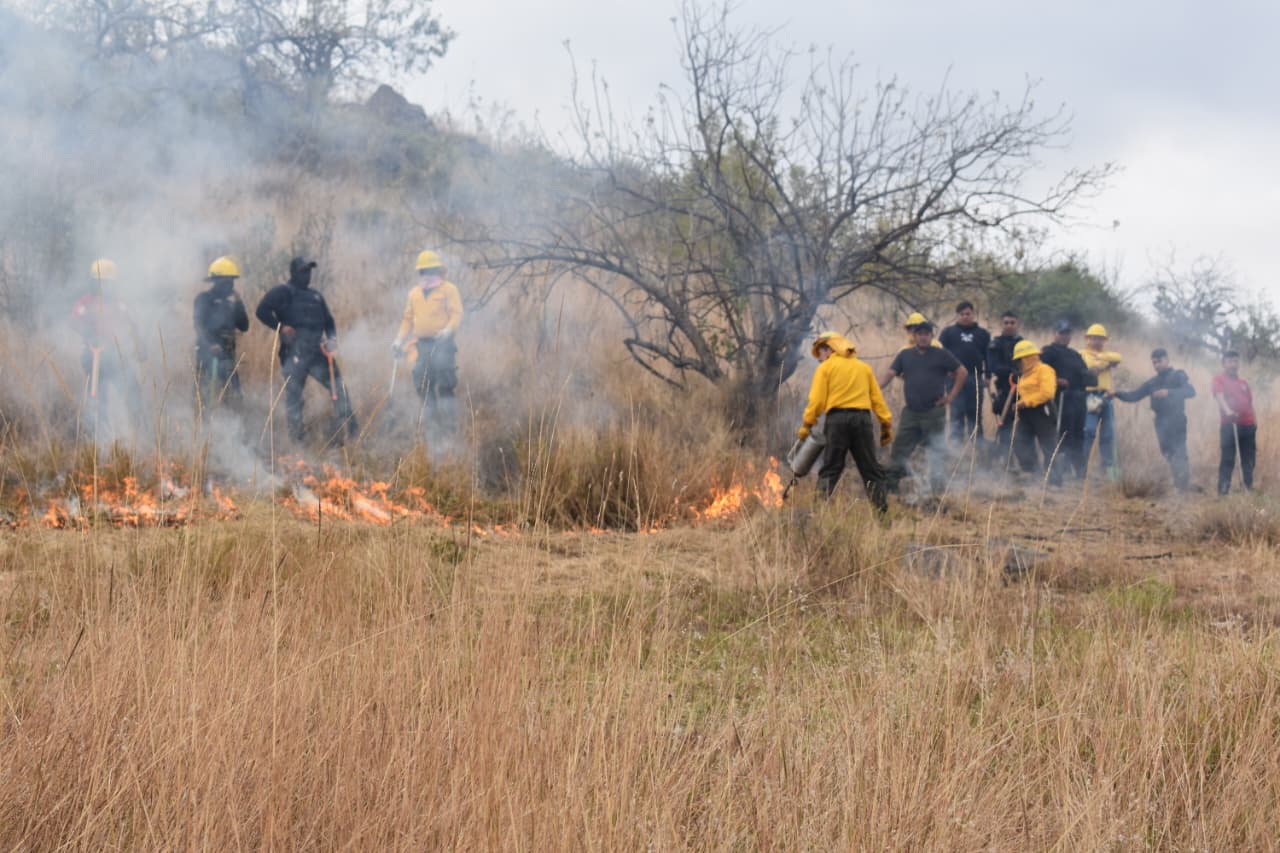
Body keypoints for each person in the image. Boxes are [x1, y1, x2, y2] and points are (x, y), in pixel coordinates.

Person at [255, 257, 357, 444]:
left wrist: (332, 339)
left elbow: (329, 321)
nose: (307, 275)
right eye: (303, 271)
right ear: (293, 273)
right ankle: (297, 440)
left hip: (319, 351)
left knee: (339, 388)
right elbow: (261, 311)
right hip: (294, 352)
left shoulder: (315, 296)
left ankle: (350, 432)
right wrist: (280, 327)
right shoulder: (283, 292)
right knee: (294, 397)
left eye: (309, 271)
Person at [797, 331, 893, 513]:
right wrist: (885, 424)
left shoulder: (825, 368)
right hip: (862, 421)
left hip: (837, 421)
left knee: (831, 468)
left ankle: (817, 513)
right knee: (871, 470)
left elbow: (816, 402)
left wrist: (806, 425)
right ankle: (882, 518)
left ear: (829, 348)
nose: (820, 358)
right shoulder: (863, 368)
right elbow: (877, 399)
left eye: (821, 353)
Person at [879, 321, 967, 495]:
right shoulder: (905, 355)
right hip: (911, 412)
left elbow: (962, 372)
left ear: (931, 336)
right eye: (920, 333)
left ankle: (937, 491)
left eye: (927, 334)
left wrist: (950, 397)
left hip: (934, 412)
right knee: (900, 448)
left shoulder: (941, 354)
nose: (923, 336)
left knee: (936, 450)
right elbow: (890, 373)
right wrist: (873, 389)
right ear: (914, 336)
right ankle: (891, 486)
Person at [391, 250, 464, 429]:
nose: (427, 274)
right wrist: (399, 339)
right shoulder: (414, 293)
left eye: (430, 270)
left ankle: (450, 426)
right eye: (423, 271)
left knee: (446, 384)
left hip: (443, 345)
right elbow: (407, 319)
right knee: (422, 383)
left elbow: (457, 314)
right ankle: (432, 423)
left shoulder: (449, 289)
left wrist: (448, 330)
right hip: (422, 346)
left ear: (438, 270)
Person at [1110, 348, 1196, 491]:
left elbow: (1190, 391)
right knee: (1167, 452)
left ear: (1167, 360)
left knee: (1179, 452)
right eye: (1154, 362)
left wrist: (1169, 392)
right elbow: (1134, 396)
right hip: (1160, 422)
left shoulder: (1178, 375)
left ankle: (1182, 487)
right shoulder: (1152, 382)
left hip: (1177, 419)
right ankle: (1180, 483)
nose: (1157, 365)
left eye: (1159, 361)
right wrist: (1117, 393)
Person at [70, 258, 142, 428]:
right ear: (94, 282)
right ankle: (98, 434)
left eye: (108, 283)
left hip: (118, 357)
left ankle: (139, 429)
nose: (104, 287)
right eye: (101, 282)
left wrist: (140, 345)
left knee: (132, 392)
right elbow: (75, 320)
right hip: (93, 356)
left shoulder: (119, 303)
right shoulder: (86, 303)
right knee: (98, 397)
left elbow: (133, 323)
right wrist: (89, 333)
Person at [193, 256, 249, 412]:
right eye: (226, 281)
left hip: (228, 356)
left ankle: (234, 425)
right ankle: (203, 426)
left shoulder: (231, 303)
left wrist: (239, 303)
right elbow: (198, 325)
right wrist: (211, 344)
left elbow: (244, 326)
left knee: (234, 394)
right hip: (207, 355)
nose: (230, 285)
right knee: (205, 394)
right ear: (216, 281)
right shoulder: (204, 299)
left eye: (232, 281)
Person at [1038, 321, 1091, 479]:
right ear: (1054, 333)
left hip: (1078, 399)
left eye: (1067, 333)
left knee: (1078, 435)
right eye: (1061, 333)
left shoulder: (1076, 355)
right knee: (1060, 435)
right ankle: (1055, 472)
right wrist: (1056, 380)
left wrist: (1091, 375)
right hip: (1059, 399)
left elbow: (1084, 374)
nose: (1065, 336)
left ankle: (1080, 472)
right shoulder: (1048, 352)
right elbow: (1040, 373)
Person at [1003, 341, 1061, 484]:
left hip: (1043, 412)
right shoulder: (1024, 375)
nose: (1017, 363)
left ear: (1027, 358)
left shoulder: (1044, 370)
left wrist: (1025, 401)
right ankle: (1031, 472)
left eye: (1019, 360)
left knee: (1048, 445)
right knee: (1020, 441)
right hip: (1026, 414)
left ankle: (1053, 480)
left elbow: (1047, 393)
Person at [938, 301, 990, 446]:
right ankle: (956, 447)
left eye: (968, 314)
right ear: (957, 316)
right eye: (962, 314)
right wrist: (946, 370)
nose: (965, 317)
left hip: (975, 378)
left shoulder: (983, 334)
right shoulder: (948, 332)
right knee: (956, 412)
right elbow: (940, 354)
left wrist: (988, 376)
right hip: (953, 378)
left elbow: (988, 356)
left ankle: (977, 445)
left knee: (975, 413)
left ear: (973, 314)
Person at [1212, 350, 1256, 495]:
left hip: (1248, 425)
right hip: (1229, 425)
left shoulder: (1243, 383)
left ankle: (1247, 488)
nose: (1233, 364)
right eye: (1230, 361)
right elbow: (1219, 397)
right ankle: (1223, 493)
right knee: (1228, 459)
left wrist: (1254, 421)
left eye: (1236, 361)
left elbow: (1250, 403)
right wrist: (1228, 411)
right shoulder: (1219, 379)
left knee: (1249, 460)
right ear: (1224, 364)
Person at [1081, 323, 1122, 477]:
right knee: (1089, 430)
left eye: (1100, 339)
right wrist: (1106, 363)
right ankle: (1083, 466)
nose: (1097, 342)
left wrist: (1102, 358)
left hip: (1107, 396)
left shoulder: (1106, 354)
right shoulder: (1082, 354)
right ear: (1087, 339)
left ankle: (1108, 468)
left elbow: (1118, 358)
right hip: (1090, 395)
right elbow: (1091, 368)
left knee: (1108, 433)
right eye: (1094, 338)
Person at [986, 311, 1023, 458]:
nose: (1009, 325)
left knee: (1024, 426)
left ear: (1017, 324)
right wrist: (1013, 372)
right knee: (1005, 425)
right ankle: (1004, 459)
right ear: (1001, 324)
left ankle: (1025, 461)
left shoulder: (1023, 343)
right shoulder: (995, 344)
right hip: (1005, 389)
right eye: (1006, 322)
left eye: (1012, 322)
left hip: (1025, 390)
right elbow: (994, 367)